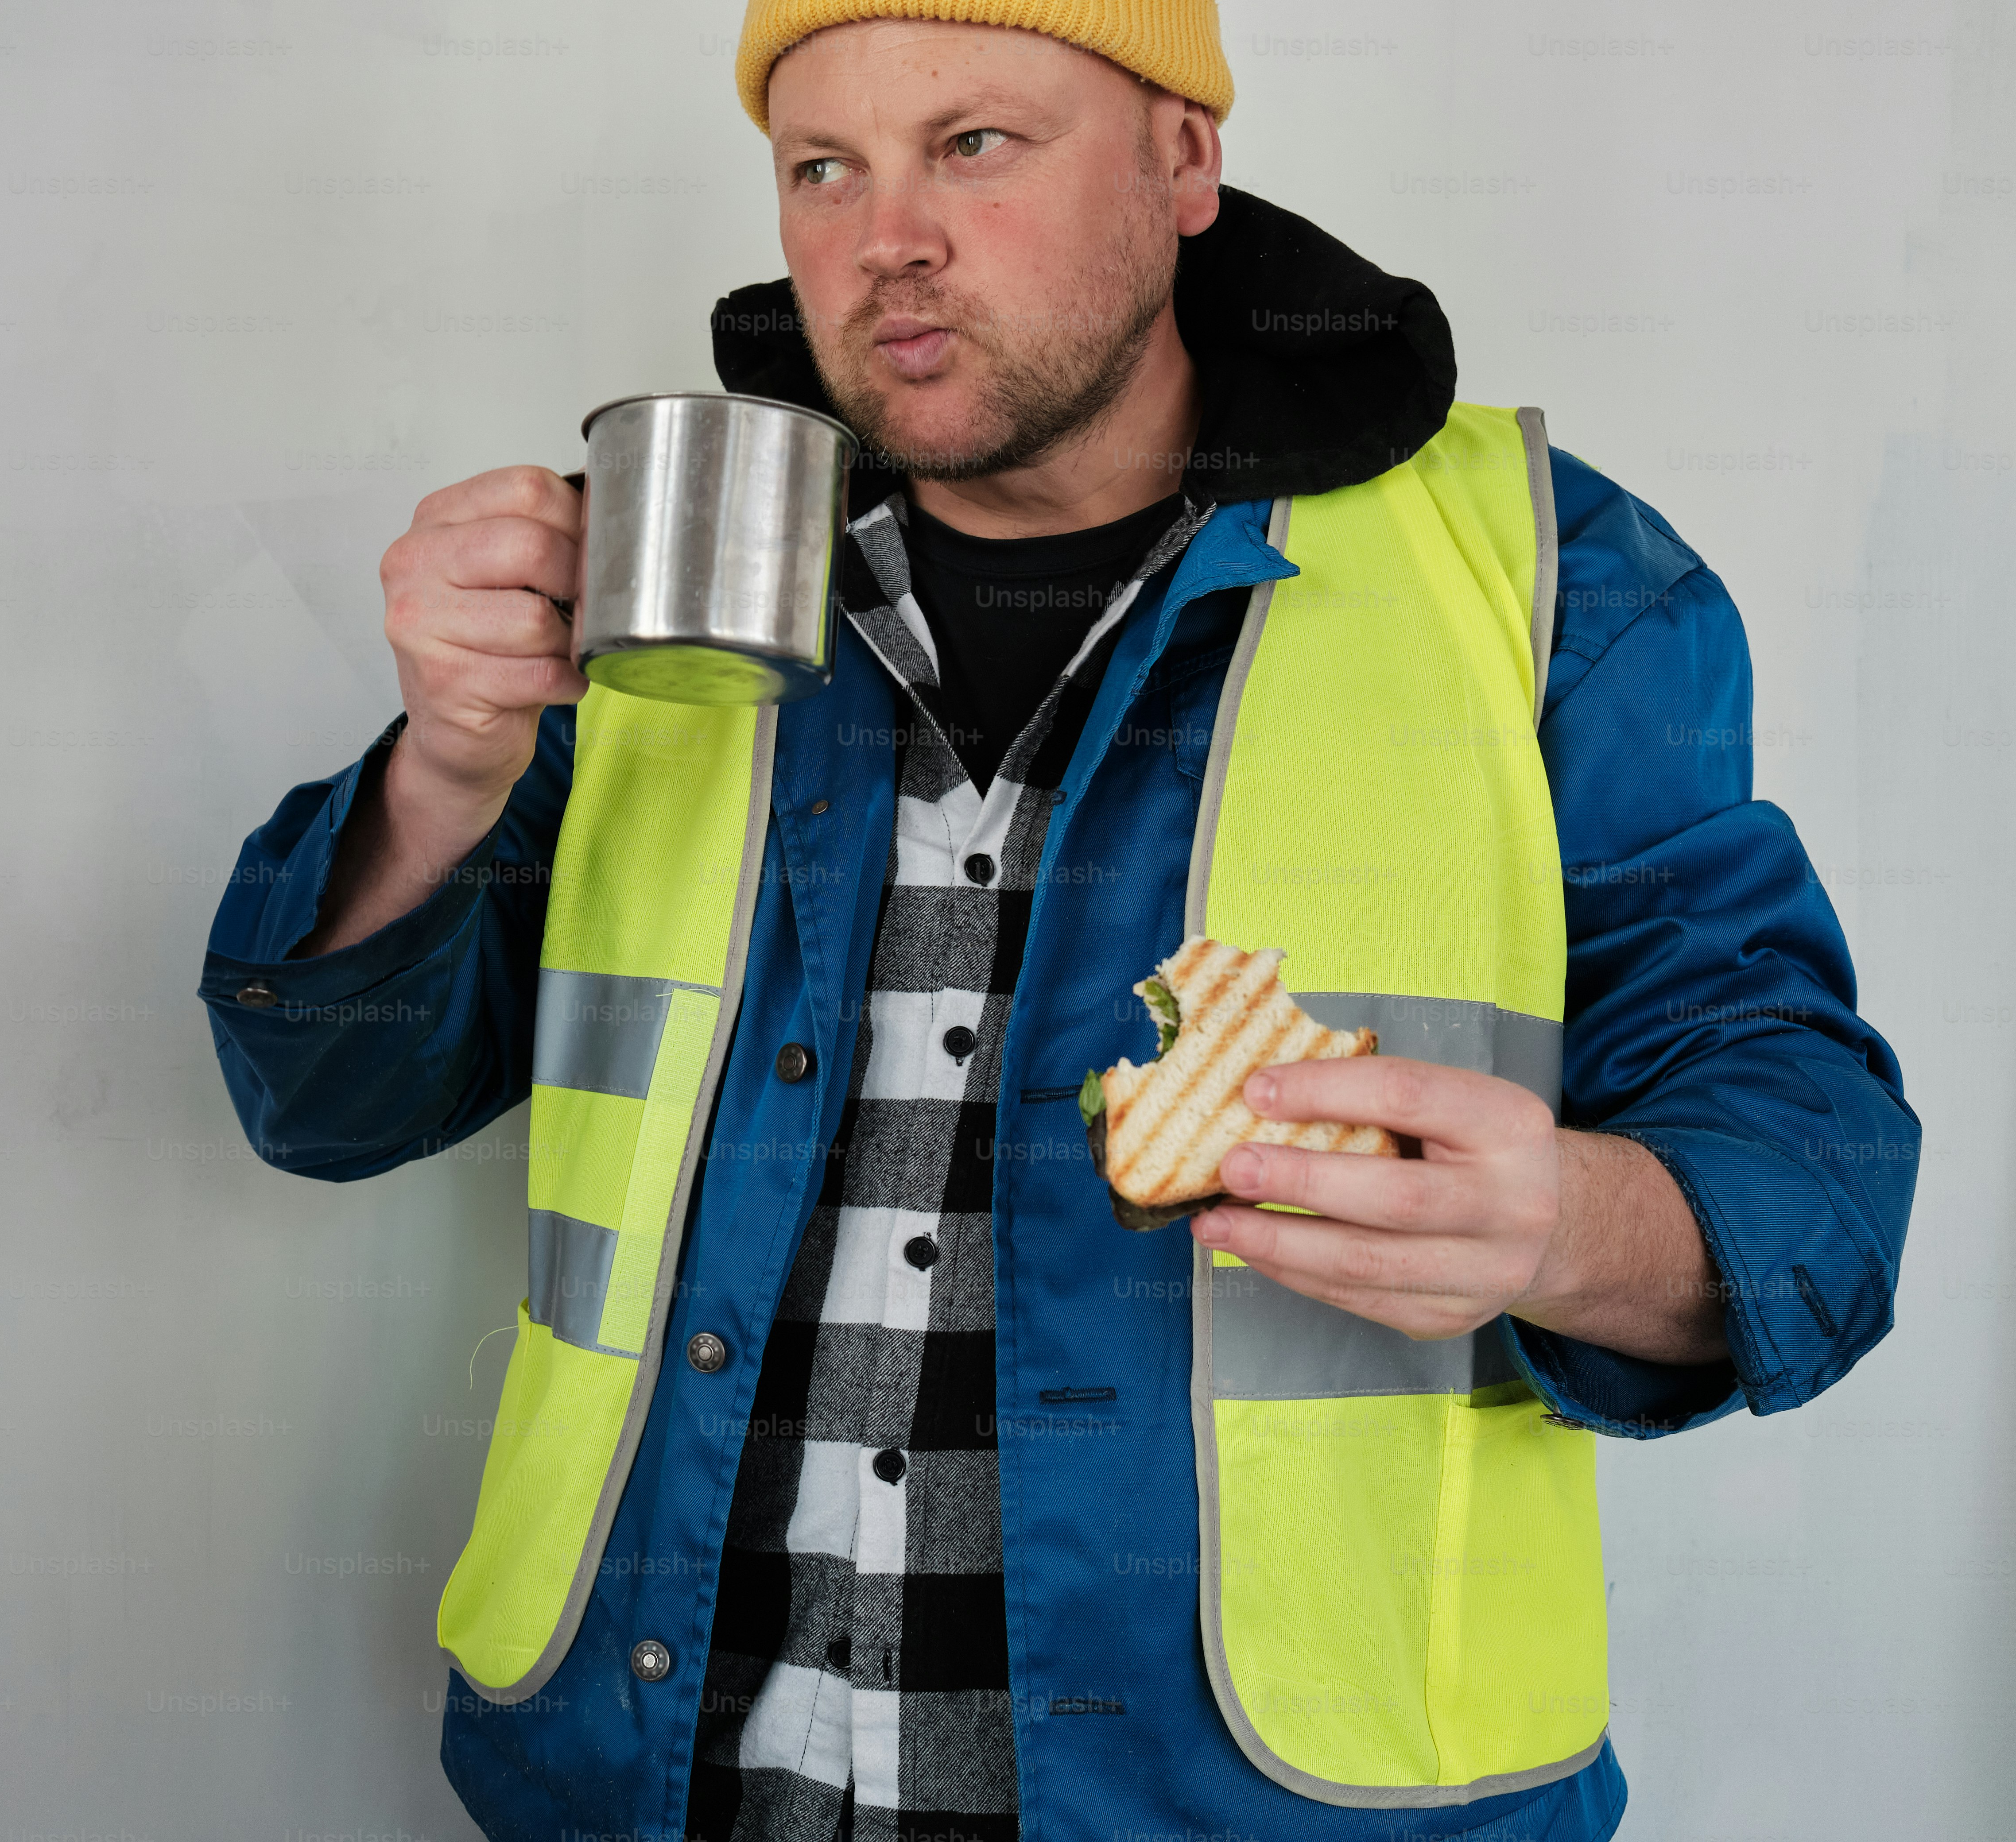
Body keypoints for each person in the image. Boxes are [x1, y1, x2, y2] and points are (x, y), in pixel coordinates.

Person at [199, 4, 1919, 1838]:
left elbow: (1814, 1181)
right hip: (659, 1781)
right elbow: (328, 1103)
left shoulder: (1551, 579)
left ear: (1184, 160)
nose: (888, 239)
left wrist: (1569, 1224)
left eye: (976, 144)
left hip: (1275, 1809)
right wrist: (446, 769)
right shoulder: (667, 574)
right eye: (823, 167)